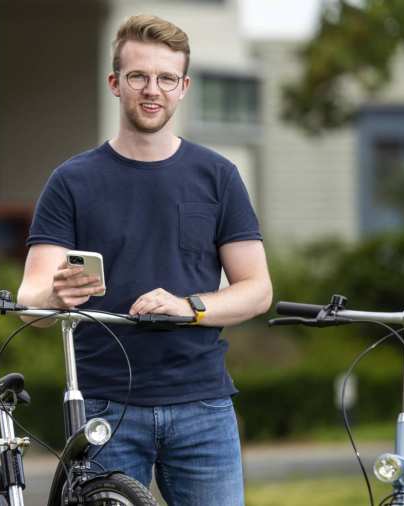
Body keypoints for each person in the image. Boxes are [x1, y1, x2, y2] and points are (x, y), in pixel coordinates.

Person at [17, 14, 272, 506]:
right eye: (138, 76)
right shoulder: (71, 181)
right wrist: (55, 295)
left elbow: (257, 290)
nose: (151, 90)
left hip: (203, 406)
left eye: (165, 78)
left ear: (183, 87)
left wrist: (189, 306)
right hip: (104, 410)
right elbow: (30, 301)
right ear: (115, 83)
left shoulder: (218, 176)